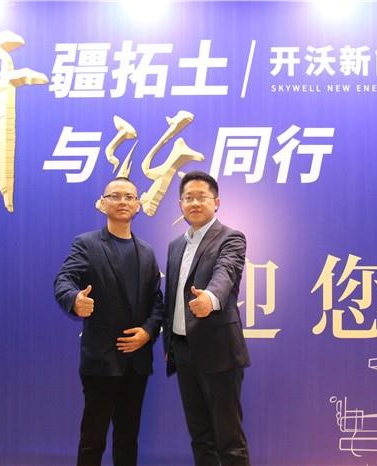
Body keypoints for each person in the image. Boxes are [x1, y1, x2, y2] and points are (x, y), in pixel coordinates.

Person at [53, 177, 164, 466]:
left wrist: (147, 332)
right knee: (93, 440)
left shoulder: (147, 252)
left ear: (138, 205)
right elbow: (64, 280)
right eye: (115, 196)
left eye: (129, 197)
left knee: (128, 439)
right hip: (100, 360)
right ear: (103, 204)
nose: (123, 201)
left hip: (136, 361)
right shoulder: (87, 244)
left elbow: (157, 302)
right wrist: (75, 299)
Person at [163, 170, 251, 466]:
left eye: (201, 197)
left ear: (216, 202)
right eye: (188, 198)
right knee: (200, 437)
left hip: (219, 351)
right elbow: (171, 297)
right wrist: (169, 344)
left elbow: (226, 272)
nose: (194, 203)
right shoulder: (175, 246)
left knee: (229, 439)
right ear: (180, 204)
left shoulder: (231, 238)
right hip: (183, 351)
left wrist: (210, 299)